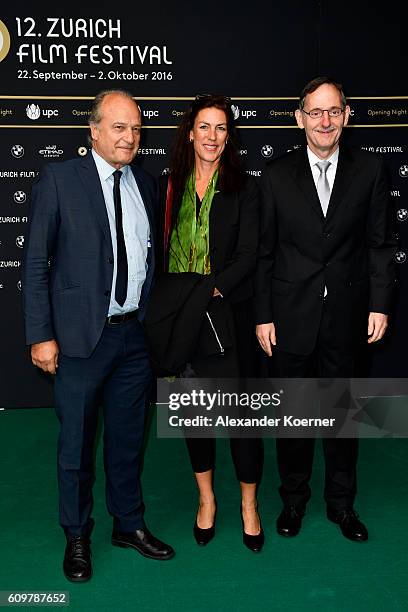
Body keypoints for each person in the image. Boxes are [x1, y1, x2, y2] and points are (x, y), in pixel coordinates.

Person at [22, 89, 174, 583]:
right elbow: (36, 264)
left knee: (129, 441)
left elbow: (150, 261)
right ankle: (77, 535)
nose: (130, 136)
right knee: (76, 446)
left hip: (133, 339)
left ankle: (128, 525)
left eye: (135, 128)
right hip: (80, 340)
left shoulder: (145, 185)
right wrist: (41, 335)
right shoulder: (60, 180)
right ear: (93, 130)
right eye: (119, 127)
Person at [255, 76, 396, 542]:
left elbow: (379, 245)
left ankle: (342, 506)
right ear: (299, 119)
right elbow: (266, 254)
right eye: (315, 112)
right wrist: (263, 314)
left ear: (347, 116)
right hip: (291, 316)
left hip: (348, 317)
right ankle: (293, 501)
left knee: (341, 418)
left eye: (333, 111)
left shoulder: (371, 172)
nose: (325, 121)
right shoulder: (275, 177)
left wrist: (379, 304)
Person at [150, 94, 264, 551]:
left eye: (221, 128)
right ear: (190, 132)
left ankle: (249, 505)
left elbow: (249, 255)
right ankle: (206, 500)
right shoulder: (168, 186)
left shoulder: (244, 188)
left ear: (228, 135)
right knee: (195, 415)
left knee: (241, 419)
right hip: (181, 319)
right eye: (205, 127)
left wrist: (211, 290)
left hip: (227, 316)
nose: (212, 136)